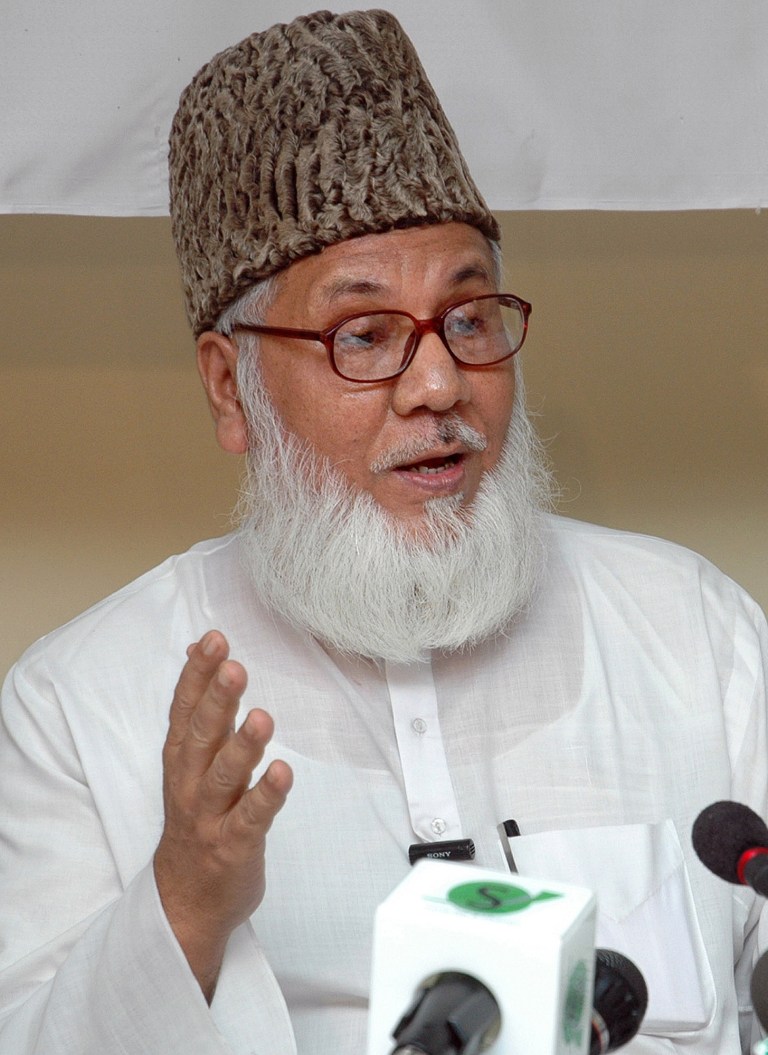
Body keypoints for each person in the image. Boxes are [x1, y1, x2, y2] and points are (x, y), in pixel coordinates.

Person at [1, 9, 766, 1054]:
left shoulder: (697, 634)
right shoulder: (79, 705)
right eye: (363, 334)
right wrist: (181, 898)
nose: (442, 382)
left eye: (469, 316)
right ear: (232, 390)